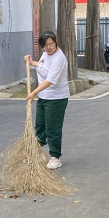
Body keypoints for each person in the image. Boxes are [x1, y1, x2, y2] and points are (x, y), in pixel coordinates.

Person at [24, 30, 69, 170]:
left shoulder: (59, 58)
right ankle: (39, 153)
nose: (49, 47)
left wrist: (33, 93)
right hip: (44, 97)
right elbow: (43, 66)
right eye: (46, 45)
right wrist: (31, 62)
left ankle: (55, 157)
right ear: (42, 46)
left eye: (52, 44)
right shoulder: (46, 54)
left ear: (56, 42)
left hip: (56, 98)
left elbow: (50, 80)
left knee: (52, 128)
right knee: (41, 127)